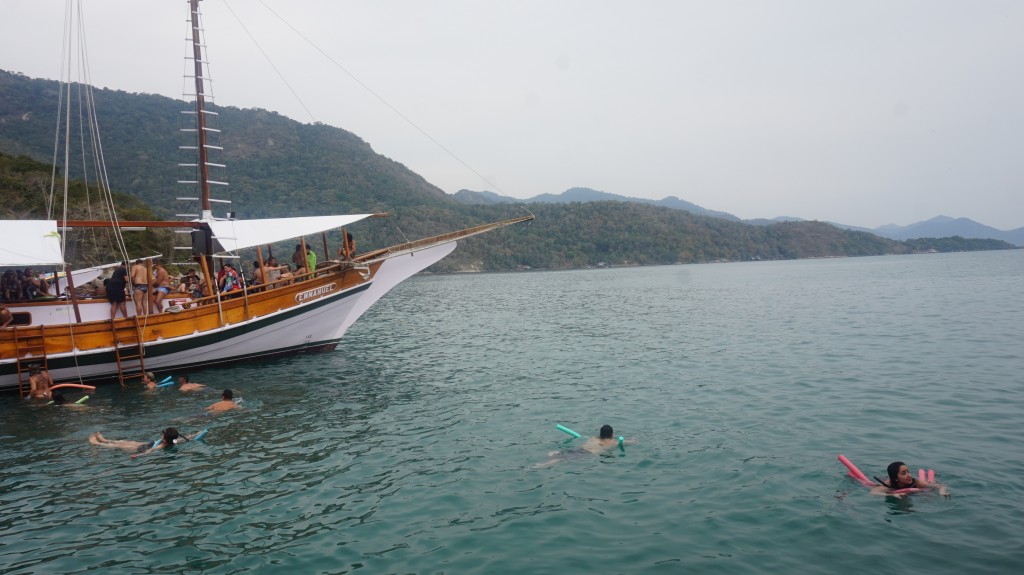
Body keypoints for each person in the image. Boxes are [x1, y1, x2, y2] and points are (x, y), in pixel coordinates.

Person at [537, 424, 636, 467]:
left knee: (566, 453)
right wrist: (634, 440)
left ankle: (555, 452)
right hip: (587, 453)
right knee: (562, 460)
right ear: (612, 434)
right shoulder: (612, 442)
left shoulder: (594, 437)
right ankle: (543, 465)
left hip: (580, 448)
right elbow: (628, 442)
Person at [89, 427, 201, 458]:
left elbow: (150, 451)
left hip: (139, 449)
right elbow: (183, 438)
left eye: (162, 434)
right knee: (124, 441)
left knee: (119, 445)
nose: (161, 435)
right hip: (143, 444)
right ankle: (106, 440)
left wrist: (138, 455)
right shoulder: (174, 441)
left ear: (165, 439)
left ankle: (97, 444)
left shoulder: (161, 446)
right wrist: (194, 435)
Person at [872, 461, 950, 497]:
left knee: (927, 493)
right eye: (904, 473)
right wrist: (891, 495)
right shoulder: (888, 484)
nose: (908, 475)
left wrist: (942, 492)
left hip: (919, 487)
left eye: (908, 471)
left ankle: (927, 474)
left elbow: (940, 486)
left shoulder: (916, 482)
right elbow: (873, 493)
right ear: (895, 478)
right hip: (896, 489)